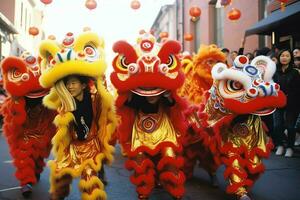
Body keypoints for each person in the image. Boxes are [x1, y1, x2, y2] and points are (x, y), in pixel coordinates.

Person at [39, 31, 117, 200]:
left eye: (73, 83)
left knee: (91, 184)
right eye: (67, 84)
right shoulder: (64, 103)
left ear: (83, 85)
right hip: (70, 147)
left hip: (90, 145)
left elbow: (106, 105)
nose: (70, 87)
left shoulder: (96, 98)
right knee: (59, 180)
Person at [273, 49, 300, 157]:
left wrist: (288, 97)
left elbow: (297, 89)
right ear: (279, 57)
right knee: (277, 126)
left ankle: (290, 147)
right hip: (277, 102)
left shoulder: (295, 72)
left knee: (290, 127)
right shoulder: (274, 72)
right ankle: (280, 145)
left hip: (291, 103)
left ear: (290, 58)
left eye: (287, 56)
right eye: (282, 55)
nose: (284, 57)